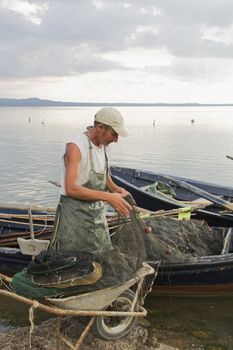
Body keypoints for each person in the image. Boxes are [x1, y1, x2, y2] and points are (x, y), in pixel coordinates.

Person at [50, 107, 132, 253]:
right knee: (75, 266)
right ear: (100, 128)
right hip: (74, 220)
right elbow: (71, 188)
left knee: (103, 260)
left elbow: (102, 174)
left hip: (96, 217)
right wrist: (109, 197)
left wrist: (114, 188)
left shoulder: (102, 145)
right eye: (114, 134)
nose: (116, 140)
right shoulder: (76, 147)